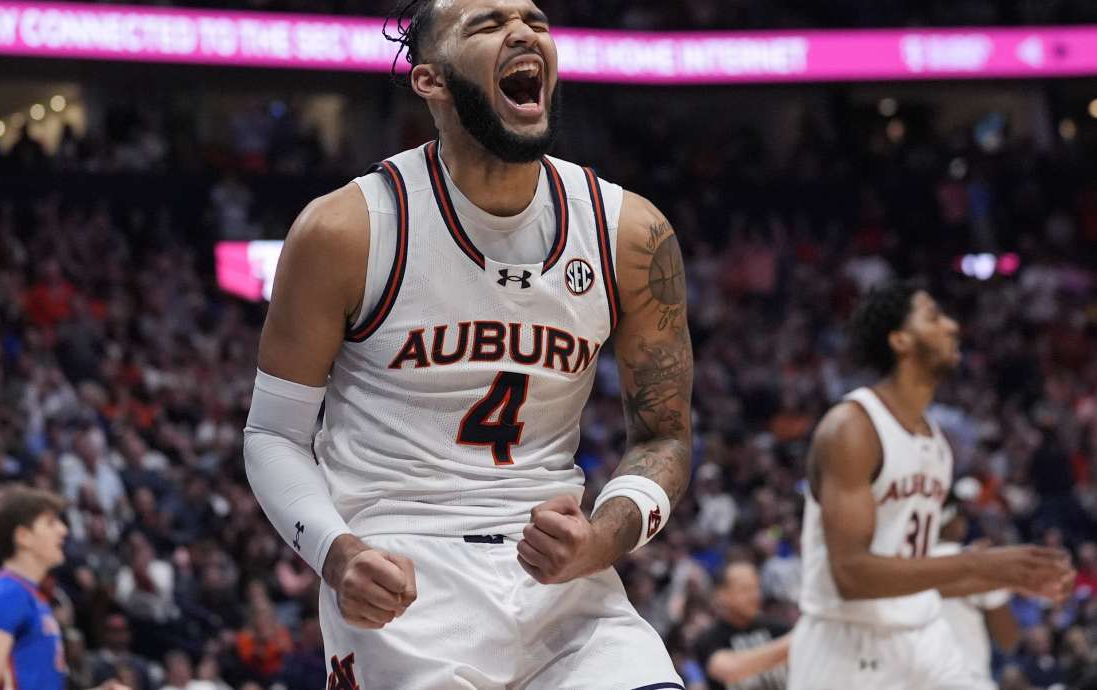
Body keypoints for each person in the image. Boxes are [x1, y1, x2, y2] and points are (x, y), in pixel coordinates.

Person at [243, 0, 695, 687]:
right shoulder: (348, 229)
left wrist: (602, 538)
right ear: (431, 81)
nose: (522, 32)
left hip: (563, 583)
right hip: (403, 582)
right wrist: (336, 555)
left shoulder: (630, 233)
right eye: (487, 23)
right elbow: (273, 435)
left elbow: (665, 436)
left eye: (535, 21)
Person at [789, 282, 1075, 690]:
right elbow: (851, 575)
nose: (952, 326)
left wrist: (1013, 576)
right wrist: (979, 564)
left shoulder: (935, 441)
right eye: (934, 317)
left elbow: (913, 566)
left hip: (924, 636)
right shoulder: (852, 428)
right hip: (849, 648)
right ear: (900, 340)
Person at [0, 487, 128, 690]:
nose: (63, 530)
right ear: (23, 537)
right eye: (51, 523)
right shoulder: (6, 594)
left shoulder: (32, 595)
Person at [932, 481, 1019, 686]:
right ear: (954, 521)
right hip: (966, 679)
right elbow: (1008, 639)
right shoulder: (976, 563)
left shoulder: (898, 564)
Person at [694, 559, 790, 690]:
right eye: (745, 589)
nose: (754, 595)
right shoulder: (708, 639)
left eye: (756, 588)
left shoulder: (778, 628)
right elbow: (729, 670)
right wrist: (792, 642)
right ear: (722, 594)